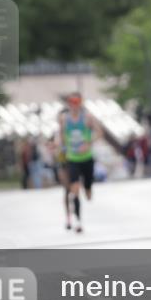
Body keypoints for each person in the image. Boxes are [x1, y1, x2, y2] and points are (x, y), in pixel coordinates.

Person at [56, 93, 100, 233]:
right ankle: (78, 222)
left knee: (87, 192)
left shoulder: (87, 117)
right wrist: (58, 147)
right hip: (72, 158)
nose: (74, 104)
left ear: (81, 103)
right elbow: (61, 137)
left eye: (77, 101)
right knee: (74, 190)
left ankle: (88, 187)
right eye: (71, 101)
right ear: (68, 103)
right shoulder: (64, 119)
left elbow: (100, 133)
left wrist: (89, 143)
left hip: (87, 158)